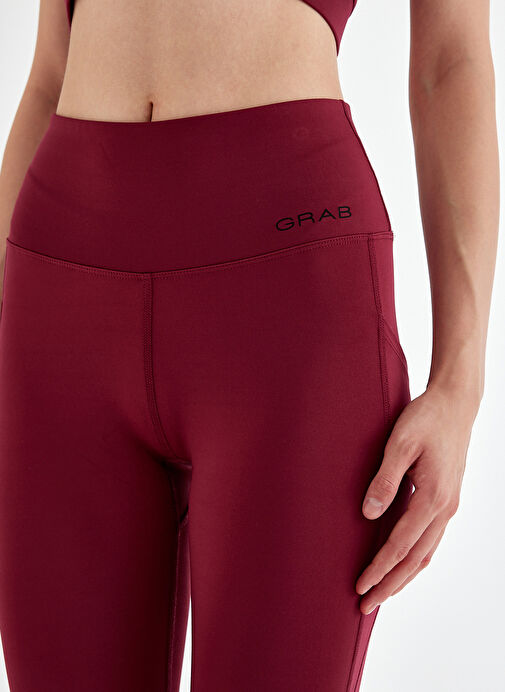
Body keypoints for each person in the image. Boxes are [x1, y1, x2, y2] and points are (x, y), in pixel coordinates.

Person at [0, 1, 499, 690]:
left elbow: (450, 60)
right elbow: (50, 75)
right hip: (58, 295)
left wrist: (460, 384)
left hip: (287, 299)